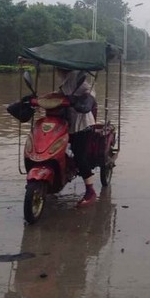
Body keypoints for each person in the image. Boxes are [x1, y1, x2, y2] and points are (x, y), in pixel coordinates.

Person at [56, 68, 97, 207]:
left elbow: (90, 92)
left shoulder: (75, 75)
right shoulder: (64, 77)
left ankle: (90, 191)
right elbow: (62, 93)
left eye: (58, 67)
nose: (57, 70)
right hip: (67, 121)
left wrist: (83, 100)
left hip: (82, 123)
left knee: (80, 155)